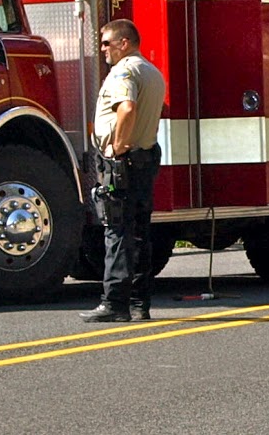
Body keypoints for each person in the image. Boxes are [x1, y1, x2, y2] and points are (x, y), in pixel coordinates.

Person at [79, 19, 166, 323]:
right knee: (140, 233)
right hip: (145, 159)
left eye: (106, 42)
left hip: (123, 161)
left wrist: (116, 148)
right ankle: (140, 303)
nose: (102, 49)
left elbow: (126, 108)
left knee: (116, 231)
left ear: (124, 43)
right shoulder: (152, 72)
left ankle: (113, 303)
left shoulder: (124, 71)